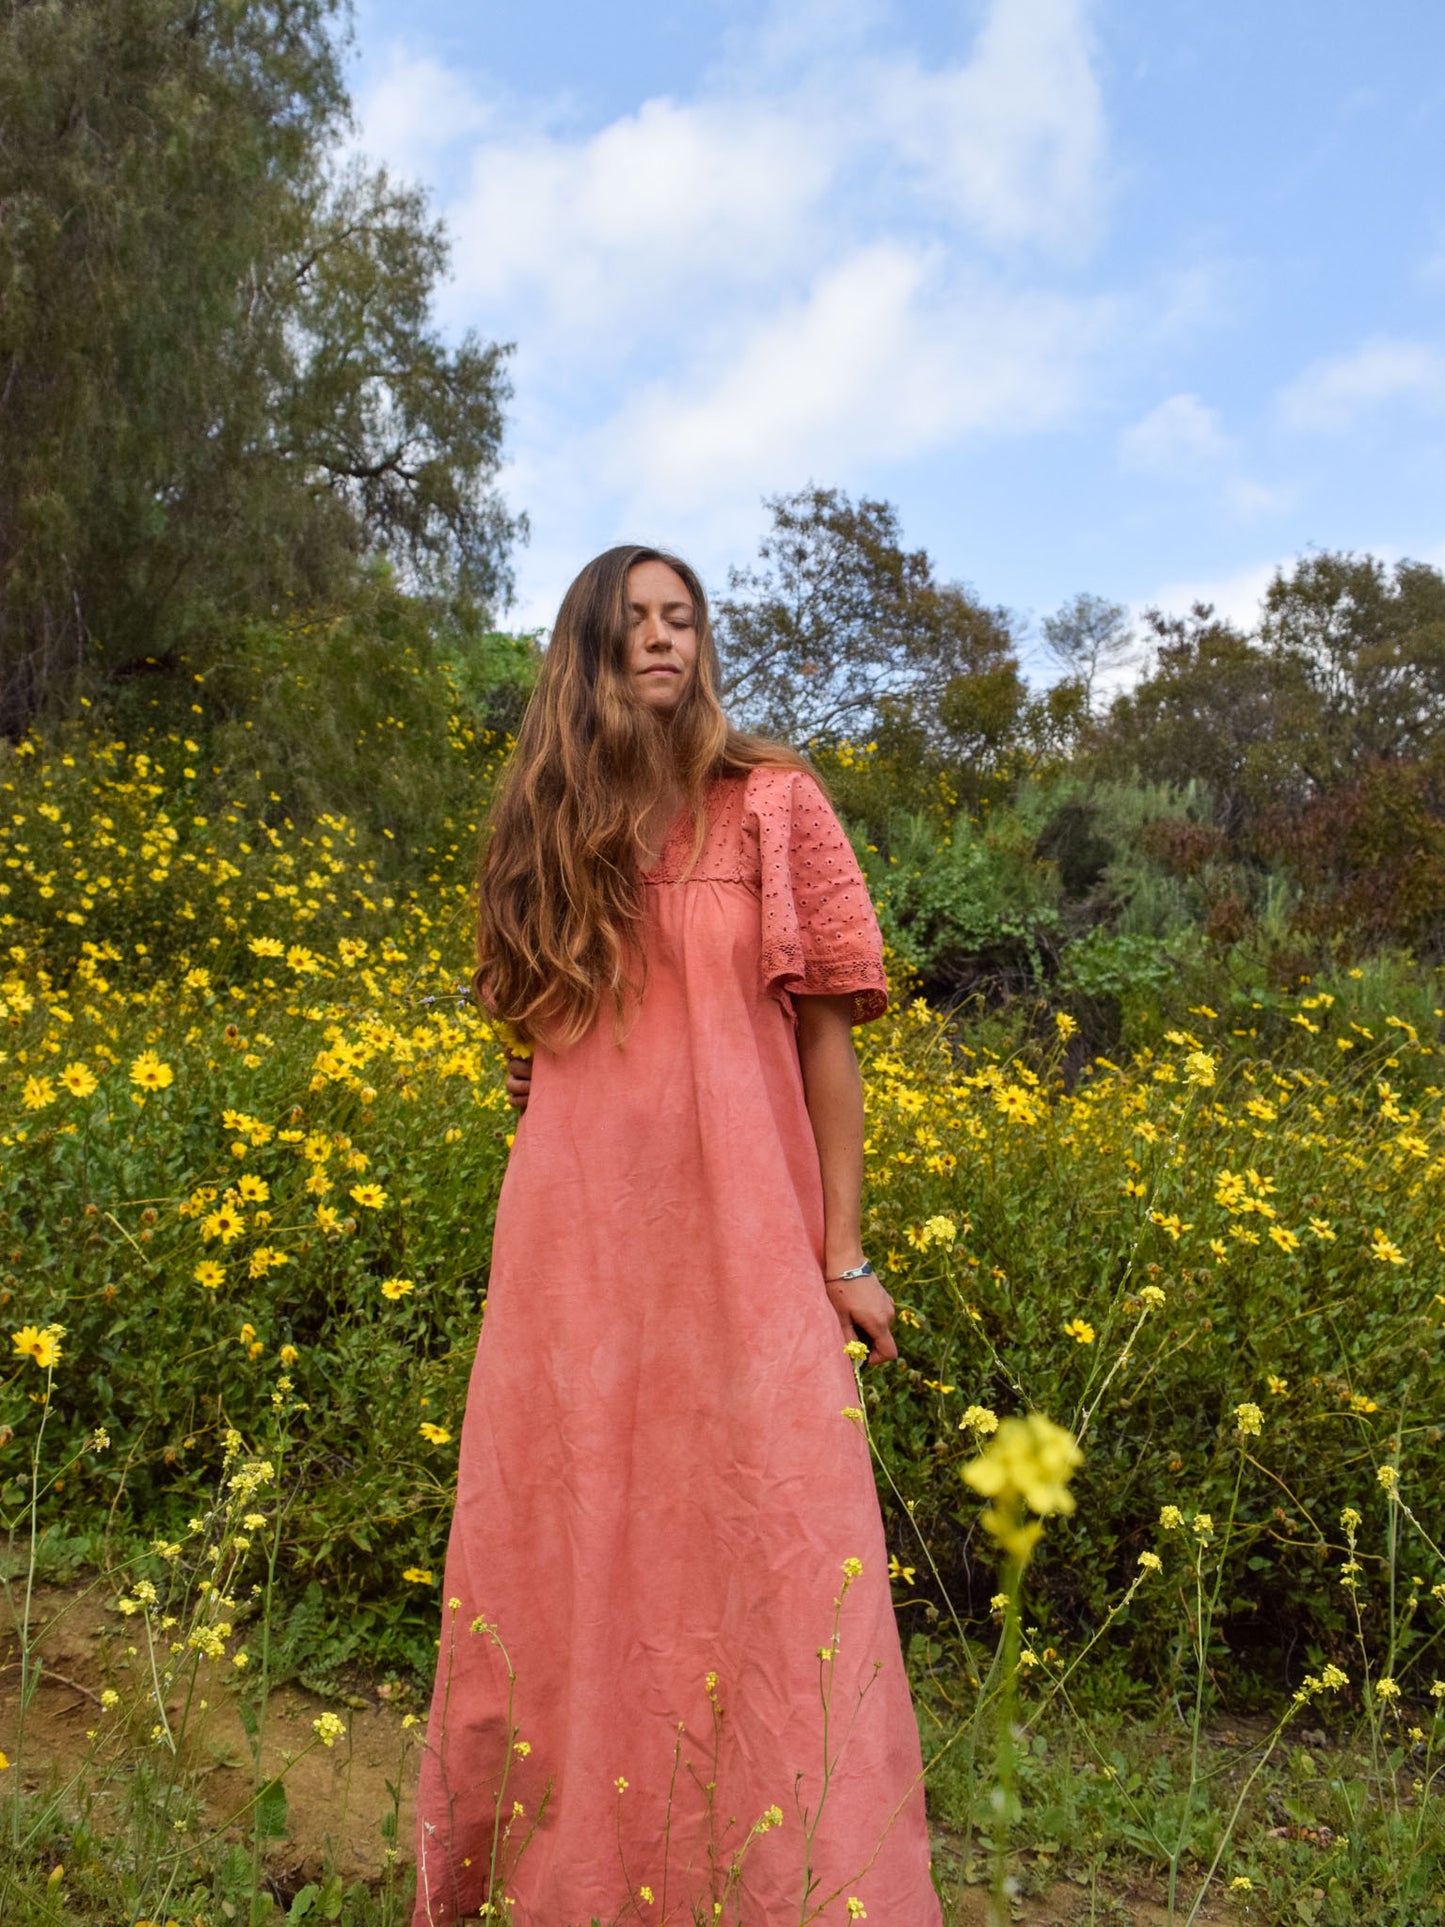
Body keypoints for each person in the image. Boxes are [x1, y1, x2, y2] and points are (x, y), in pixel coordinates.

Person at [411, 546, 943, 1926]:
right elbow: (537, 1076)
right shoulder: (543, 829)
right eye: (634, 621)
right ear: (587, 651)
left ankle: (781, 1890)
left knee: (769, 1537)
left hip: (748, 1242)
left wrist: (844, 1256)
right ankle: (575, 1881)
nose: (663, 639)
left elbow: (829, 1047)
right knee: (565, 1541)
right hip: (575, 1249)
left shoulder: (774, 806)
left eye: (682, 618)